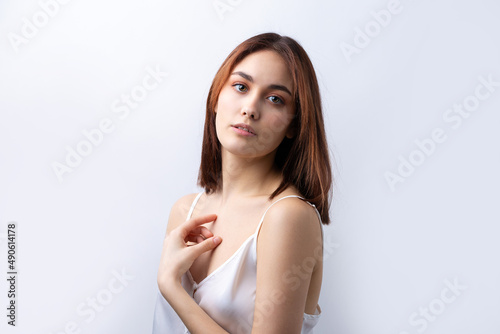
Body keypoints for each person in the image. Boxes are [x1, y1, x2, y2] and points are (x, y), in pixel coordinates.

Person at [153, 32, 333, 334]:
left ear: (293, 124)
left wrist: (173, 288)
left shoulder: (288, 217)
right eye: (241, 86)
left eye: (275, 99)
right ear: (216, 98)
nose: (250, 108)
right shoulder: (184, 211)